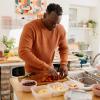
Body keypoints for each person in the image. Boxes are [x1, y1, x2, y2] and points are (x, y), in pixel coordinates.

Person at [18, 3, 68, 80]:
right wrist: (45, 67)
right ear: (45, 15)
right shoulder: (30, 27)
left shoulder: (60, 29)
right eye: (52, 22)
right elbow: (23, 52)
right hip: (32, 73)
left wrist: (64, 64)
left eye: (57, 23)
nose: (54, 26)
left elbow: (64, 48)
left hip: (49, 71)